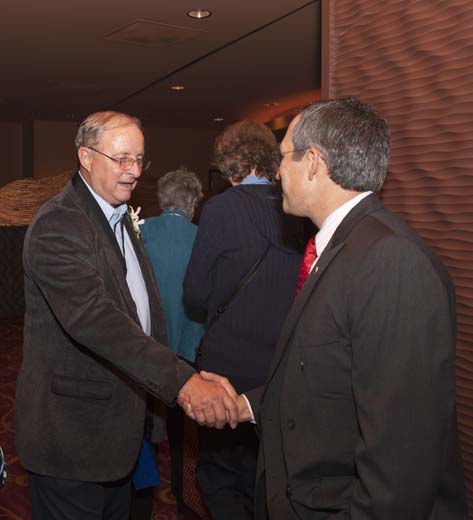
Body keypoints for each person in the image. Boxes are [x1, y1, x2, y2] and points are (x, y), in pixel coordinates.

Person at [201, 98, 468, 518]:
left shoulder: (390, 260)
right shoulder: (344, 245)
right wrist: (247, 405)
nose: (277, 172)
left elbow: (401, 458)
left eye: (284, 156)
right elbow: (326, 374)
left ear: (313, 163)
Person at [14, 111, 237, 520]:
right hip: (72, 441)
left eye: (139, 159)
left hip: (121, 433)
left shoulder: (117, 214)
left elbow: (145, 313)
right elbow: (97, 321)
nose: (134, 171)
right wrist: (183, 380)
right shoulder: (58, 224)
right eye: (121, 159)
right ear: (86, 157)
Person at [183, 120, 304, 519]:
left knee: (219, 475)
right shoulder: (297, 209)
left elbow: (194, 292)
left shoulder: (220, 209)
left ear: (232, 164)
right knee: (264, 473)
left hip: (227, 367)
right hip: (278, 368)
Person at [140, 168, 205, 511]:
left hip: (149, 347)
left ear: (162, 200)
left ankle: (142, 496)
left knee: (147, 426)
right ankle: (181, 495)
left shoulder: (141, 232)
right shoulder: (203, 237)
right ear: (193, 204)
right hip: (188, 347)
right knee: (182, 432)